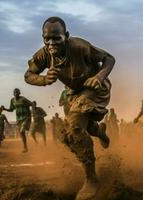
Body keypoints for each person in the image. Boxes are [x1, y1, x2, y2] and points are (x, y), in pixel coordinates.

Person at [24, 16, 114, 199]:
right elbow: (28, 74)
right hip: (73, 94)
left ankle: (91, 179)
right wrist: (43, 80)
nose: (51, 43)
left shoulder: (80, 46)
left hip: (94, 88)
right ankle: (98, 131)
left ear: (66, 36)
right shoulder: (44, 54)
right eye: (46, 38)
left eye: (56, 38)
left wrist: (99, 77)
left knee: (73, 131)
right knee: (74, 133)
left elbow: (109, 59)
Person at [1, 88, 34, 153]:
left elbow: (32, 104)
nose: (16, 93)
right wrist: (5, 109)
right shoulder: (12, 100)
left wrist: (33, 111)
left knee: (22, 131)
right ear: (13, 94)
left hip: (26, 117)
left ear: (19, 93)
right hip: (19, 119)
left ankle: (25, 147)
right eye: (14, 92)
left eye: (17, 92)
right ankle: (25, 147)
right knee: (22, 133)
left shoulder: (23, 99)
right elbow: (11, 109)